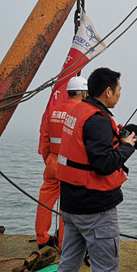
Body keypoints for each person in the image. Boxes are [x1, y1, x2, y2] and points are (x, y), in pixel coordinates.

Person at [45, 68, 137, 272]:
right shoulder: (98, 121)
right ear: (107, 92)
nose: (120, 93)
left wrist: (116, 140)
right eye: (118, 89)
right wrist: (127, 146)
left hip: (71, 206)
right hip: (96, 211)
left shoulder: (76, 112)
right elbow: (104, 164)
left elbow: (83, 150)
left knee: (67, 267)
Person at [36, 75, 88, 249]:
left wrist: (48, 159)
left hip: (52, 161)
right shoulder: (82, 112)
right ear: (83, 93)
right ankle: (64, 242)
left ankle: (42, 240)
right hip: (70, 165)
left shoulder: (54, 111)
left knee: (45, 201)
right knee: (67, 205)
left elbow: (45, 138)